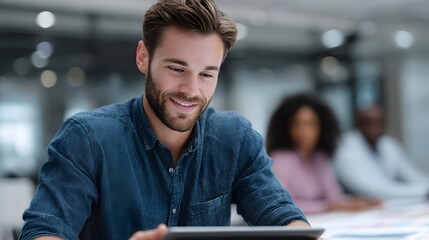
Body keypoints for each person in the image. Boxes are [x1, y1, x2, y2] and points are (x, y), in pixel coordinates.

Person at [20, 1, 310, 240]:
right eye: (176, 68)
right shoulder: (87, 139)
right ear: (143, 57)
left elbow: (280, 214)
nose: (191, 90)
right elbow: (44, 231)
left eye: (207, 74)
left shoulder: (236, 139)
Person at [267, 94, 380, 214]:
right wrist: (327, 206)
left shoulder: (319, 157)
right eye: (296, 124)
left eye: (310, 124)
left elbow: (334, 196)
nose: (303, 131)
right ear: (287, 127)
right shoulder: (281, 160)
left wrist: (359, 202)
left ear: (322, 127)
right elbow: (280, 204)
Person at [333, 104, 429, 199]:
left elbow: (413, 176)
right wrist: (423, 190)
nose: (375, 128)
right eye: (368, 123)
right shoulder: (347, 149)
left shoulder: (388, 144)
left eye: (379, 123)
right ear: (358, 125)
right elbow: (373, 191)